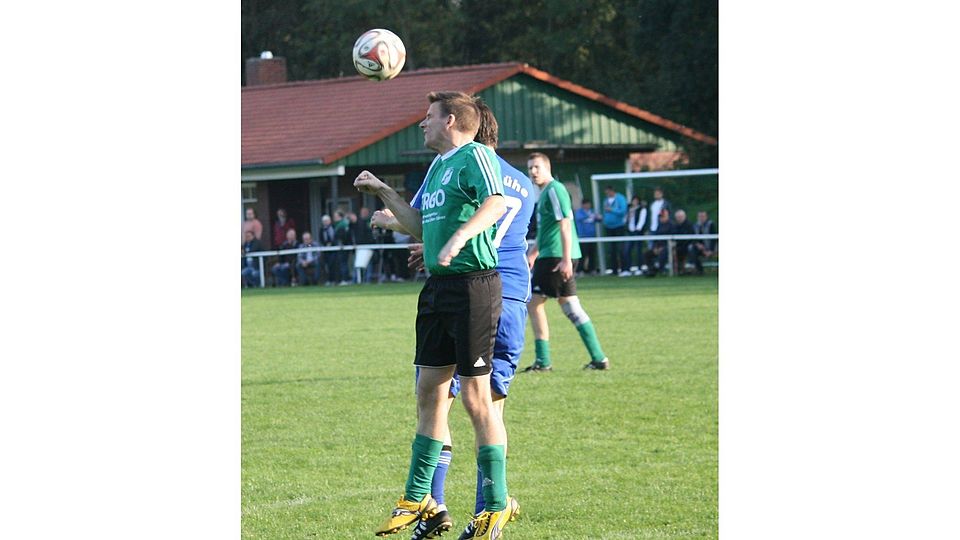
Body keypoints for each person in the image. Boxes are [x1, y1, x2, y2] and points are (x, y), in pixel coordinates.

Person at [355, 91, 517, 540]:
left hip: (473, 287)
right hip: (437, 289)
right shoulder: (438, 166)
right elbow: (420, 224)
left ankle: (495, 506)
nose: (421, 124)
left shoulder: (476, 155)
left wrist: (460, 237)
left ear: (450, 121)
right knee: (429, 390)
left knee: (476, 399)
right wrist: (383, 190)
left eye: (428, 117)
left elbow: (496, 203)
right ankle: (416, 497)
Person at [523, 152, 610, 372]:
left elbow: (565, 224)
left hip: (555, 257)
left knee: (534, 303)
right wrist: (533, 253)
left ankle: (543, 361)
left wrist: (565, 259)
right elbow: (547, 230)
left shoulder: (555, 189)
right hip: (552, 255)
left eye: (537, 167)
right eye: (530, 168)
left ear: (547, 168)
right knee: (569, 305)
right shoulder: (544, 193)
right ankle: (598, 358)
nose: (533, 172)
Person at [600, 185, 627, 275]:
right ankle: (614, 270)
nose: (607, 194)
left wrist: (612, 209)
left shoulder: (620, 198)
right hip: (609, 227)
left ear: (612, 191)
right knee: (612, 250)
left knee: (621, 249)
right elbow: (605, 212)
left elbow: (623, 211)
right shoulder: (605, 200)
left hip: (619, 227)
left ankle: (624, 269)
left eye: (608, 192)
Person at [644, 208, 674, 276]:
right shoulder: (659, 225)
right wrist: (655, 248)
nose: (661, 218)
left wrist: (662, 248)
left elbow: (671, 239)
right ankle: (652, 269)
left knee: (663, 252)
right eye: (660, 216)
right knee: (647, 254)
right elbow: (656, 239)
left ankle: (661, 270)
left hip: (667, 247)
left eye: (662, 216)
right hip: (658, 247)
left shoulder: (671, 225)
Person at [573, 199, 599, 275]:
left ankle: (592, 269)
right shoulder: (579, 212)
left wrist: (596, 217)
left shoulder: (592, 211)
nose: (588, 206)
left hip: (592, 236)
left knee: (592, 253)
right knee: (583, 254)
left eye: (589, 204)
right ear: (583, 205)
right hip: (583, 237)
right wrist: (590, 216)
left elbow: (598, 218)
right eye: (586, 204)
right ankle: (579, 270)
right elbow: (579, 218)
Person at [625, 195, 648, 275]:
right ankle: (627, 269)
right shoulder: (629, 209)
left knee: (638, 250)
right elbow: (625, 220)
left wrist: (638, 230)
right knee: (627, 250)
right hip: (630, 232)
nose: (634, 202)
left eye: (636, 200)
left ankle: (639, 268)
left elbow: (642, 220)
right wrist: (629, 215)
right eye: (633, 200)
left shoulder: (642, 209)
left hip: (637, 232)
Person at [689, 211, 717, 275]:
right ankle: (700, 270)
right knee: (692, 249)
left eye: (703, 216)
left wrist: (710, 250)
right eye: (700, 216)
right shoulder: (695, 225)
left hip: (710, 248)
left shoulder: (711, 224)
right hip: (700, 248)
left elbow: (714, 239)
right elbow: (692, 238)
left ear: (706, 217)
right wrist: (697, 244)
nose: (701, 218)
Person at [318, 215, 339, 285]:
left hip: (334, 249)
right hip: (326, 250)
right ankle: (329, 280)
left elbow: (335, 237)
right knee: (327, 266)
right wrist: (325, 244)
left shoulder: (334, 227)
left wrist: (332, 243)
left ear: (330, 221)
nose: (325, 222)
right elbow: (321, 239)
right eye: (324, 221)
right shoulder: (322, 229)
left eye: (326, 221)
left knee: (333, 265)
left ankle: (335, 280)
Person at [334, 210, 353, 285]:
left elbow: (342, 236)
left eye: (336, 216)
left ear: (340, 216)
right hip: (343, 247)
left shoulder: (342, 225)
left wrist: (341, 243)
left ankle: (345, 279)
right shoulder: (341, 224)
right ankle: (345, 279)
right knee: (343, 263)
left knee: (343, 264)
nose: (334, 218)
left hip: (343, 247)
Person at [672, 209, 694, 273]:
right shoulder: (674, 225)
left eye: (681, 217)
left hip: (687, 245)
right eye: (678, 217)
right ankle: (678, 270)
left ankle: (687, 268)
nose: (679, 218)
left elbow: (691, 238)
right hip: (678, 246)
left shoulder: (689, 225)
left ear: (684, 216)